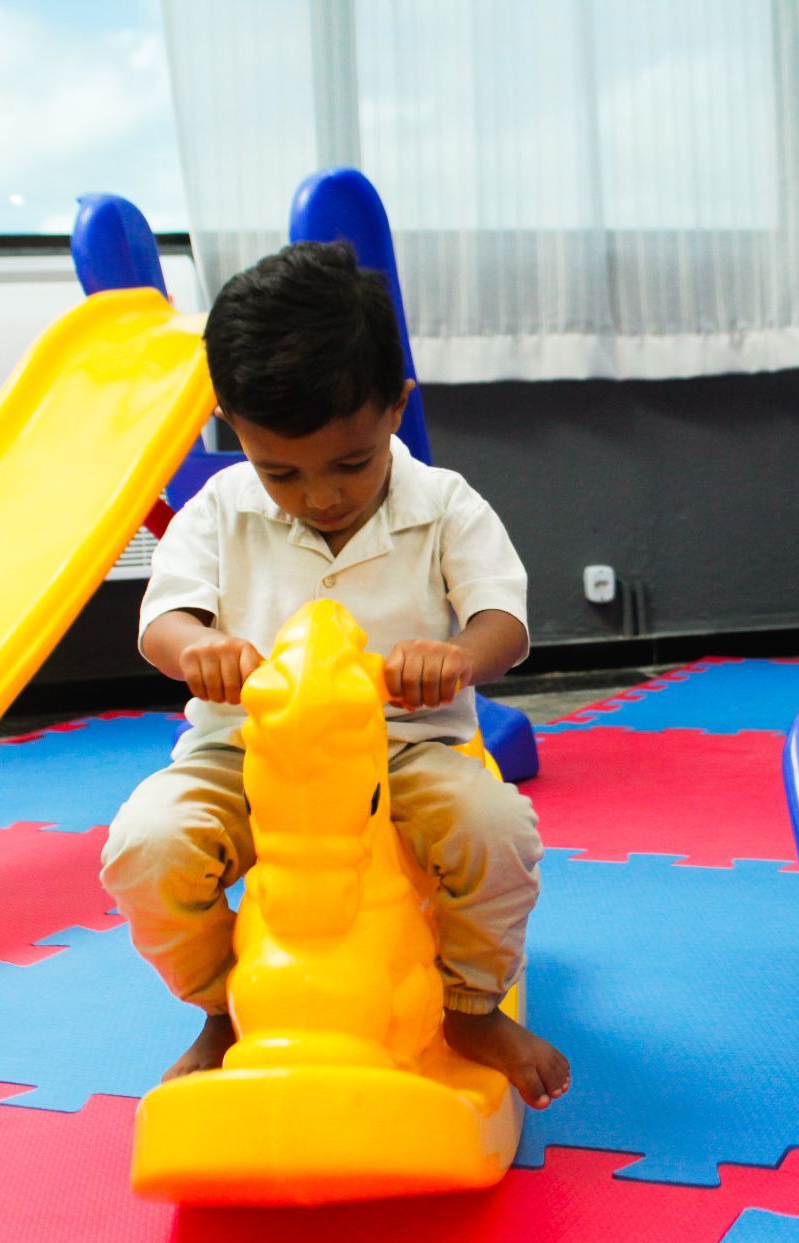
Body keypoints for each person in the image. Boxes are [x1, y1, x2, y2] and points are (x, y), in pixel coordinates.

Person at [101, 241, 570, 1108]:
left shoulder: (443, 505)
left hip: (401, 753)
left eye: (348, 465)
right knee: (146, 849)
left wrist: (460, 656)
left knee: (496, 830)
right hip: (246, 752)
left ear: (396, 407)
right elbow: (162, 622)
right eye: (282, 471)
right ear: (232, 429)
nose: (320, 496)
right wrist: (195, 647)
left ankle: (469, 1002)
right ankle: (221, 1002)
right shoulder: (220, 510)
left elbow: (503, 621)